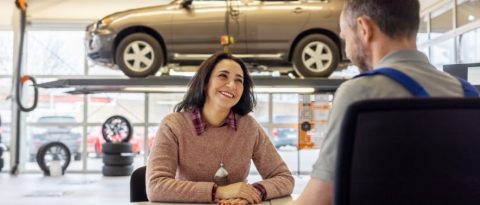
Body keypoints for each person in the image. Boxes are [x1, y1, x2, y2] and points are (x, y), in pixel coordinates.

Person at [291, 0, 478, 204]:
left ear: (364, 28)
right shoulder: (467, 94)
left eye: (345, 38)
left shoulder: (358, 92)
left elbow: (321, 197)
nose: (347, 52)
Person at [146, 51, 294, 205]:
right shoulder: (173, 125)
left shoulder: (249, 126)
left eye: (239, 80)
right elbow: (156, 186)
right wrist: (220, 192)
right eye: (223, 76)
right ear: (205, 83)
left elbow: (284, 178)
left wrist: (250, 193)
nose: (232, 85)